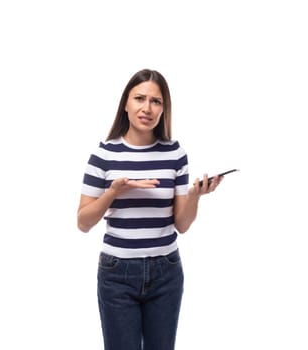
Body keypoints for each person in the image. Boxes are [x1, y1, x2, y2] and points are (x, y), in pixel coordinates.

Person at [77, 68, 224, 350]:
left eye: (156, 101)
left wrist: (194, 195)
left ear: (164, 109)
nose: (147, 108)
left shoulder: (175, 153)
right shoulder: (104, 154)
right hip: (117, 273)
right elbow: (83, 222)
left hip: (165, 271)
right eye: (139, 98)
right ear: (125, 103)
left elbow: (181, 224)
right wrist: (113, 192)